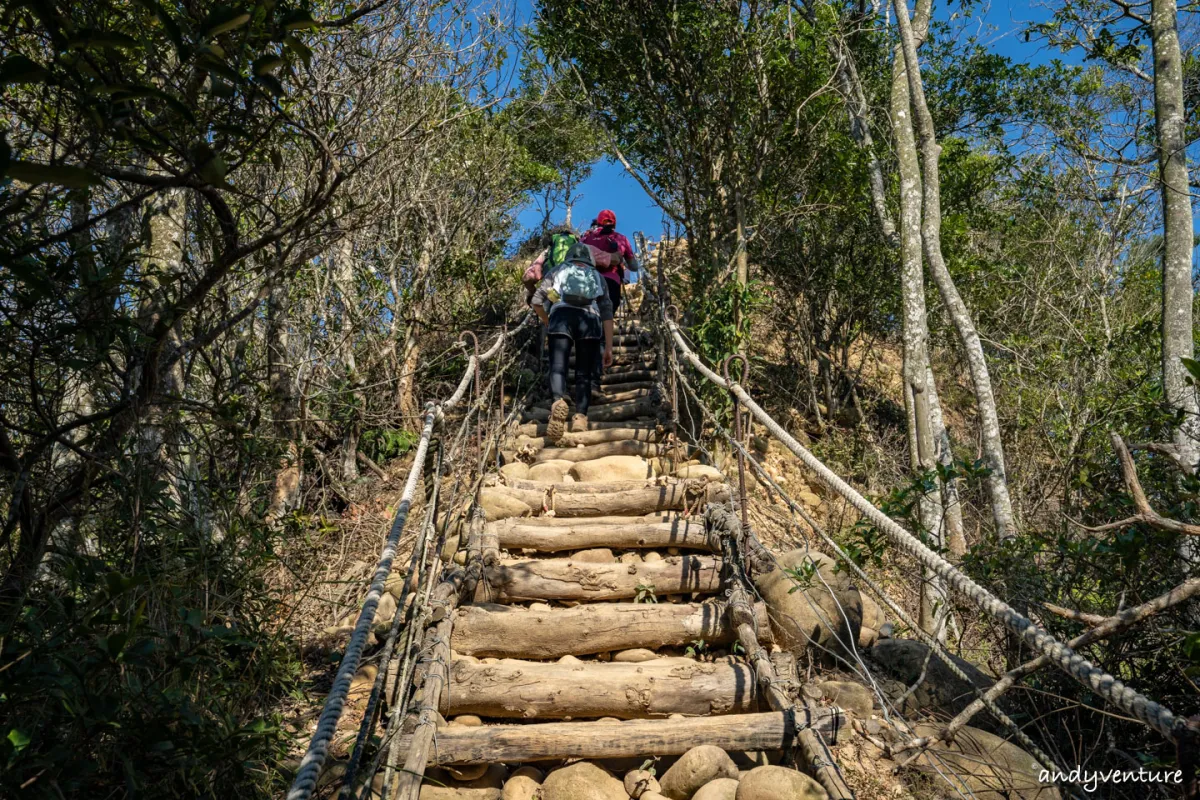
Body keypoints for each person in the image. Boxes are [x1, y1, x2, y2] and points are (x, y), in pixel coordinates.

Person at [530, 242, 615, 442]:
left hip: (561, 316)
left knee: (558, 366)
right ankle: (581, 417)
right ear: (590, 259)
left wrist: (547, 320)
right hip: (590, 320)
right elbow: (607, 312)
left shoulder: (559, 270)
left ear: (569, 256)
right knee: (584, 372)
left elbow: (536, 300)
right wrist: (609, 347)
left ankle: (558, 401)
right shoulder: (598, 277)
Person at [580, 209, 639, 315]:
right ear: (614, 224)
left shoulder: (586, 238)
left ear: (598, 221)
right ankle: (604, 330)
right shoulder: (621, 238)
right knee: (607, 312)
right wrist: (622, 261)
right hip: (611, 281)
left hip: (586, 279)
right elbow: (634, 267)